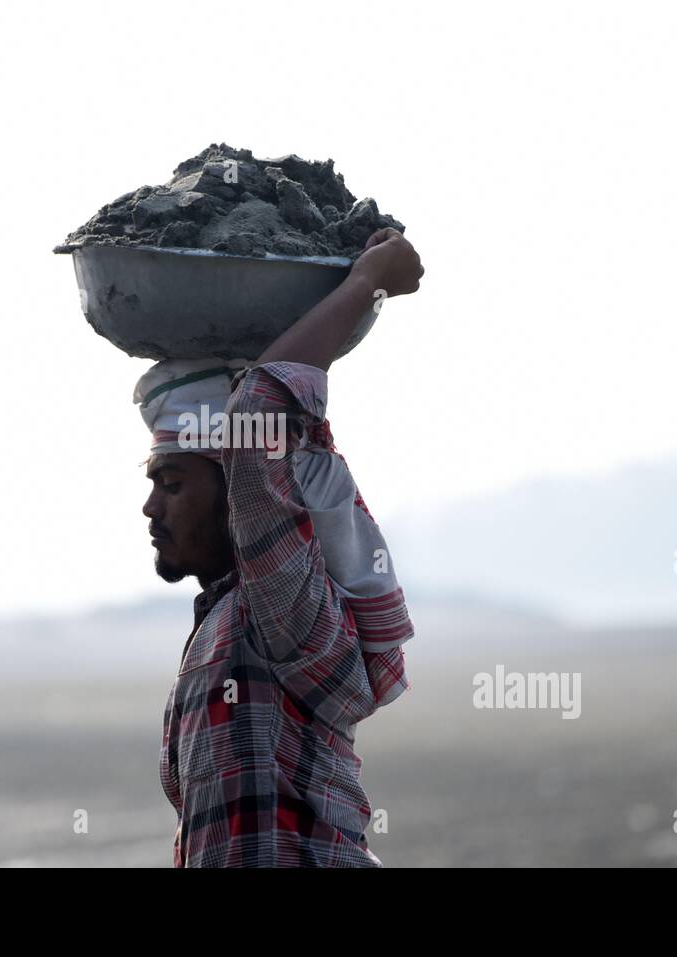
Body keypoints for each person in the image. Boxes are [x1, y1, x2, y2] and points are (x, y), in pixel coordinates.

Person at [136, 227, 425, 867]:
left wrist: (367, 282)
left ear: (240, 494)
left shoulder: (280, 608)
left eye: (173, 483)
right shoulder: (223, 622)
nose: (151, 508)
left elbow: (254, 417)